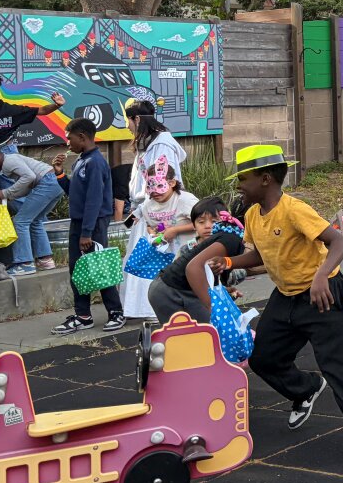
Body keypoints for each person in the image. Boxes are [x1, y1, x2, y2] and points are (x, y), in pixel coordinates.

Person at [225, 143, 343, 461]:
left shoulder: (294, 210)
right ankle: (305, 388)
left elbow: (338, 241)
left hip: (323, 294)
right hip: (287, 296)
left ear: (265, 179)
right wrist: (227, 263)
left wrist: (321, 276)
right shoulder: (252, 215)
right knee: (263, 358)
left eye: (243, 178)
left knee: (337, 365)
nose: (239, 185)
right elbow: (259, 255)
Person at [51, 118, 125, 335]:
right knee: (77, 269)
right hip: (79, 223)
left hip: (93, 224)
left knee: (99, 266)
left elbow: (94, 200)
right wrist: (59, 173)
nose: (68, 142)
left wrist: (86, 233)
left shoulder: (95, 163)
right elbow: (74, 193)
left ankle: (116, 312)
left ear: (82, 137)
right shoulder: (81, 161)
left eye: (70, 138)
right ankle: (83, 316)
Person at [0, 73, 65, 225]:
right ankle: (37, 223)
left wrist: (57, 105)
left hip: (5, 154)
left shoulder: (9, 111)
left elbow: (41, 111)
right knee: (12, 197)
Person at [122, 156, 199, 320]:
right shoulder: (148, 205)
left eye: (159, 185)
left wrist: (176, 230)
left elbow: (204, 223)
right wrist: (154, 233)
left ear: (172, 183)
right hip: (166, 256)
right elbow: (150, 225)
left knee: (192, 290)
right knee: (169, 289)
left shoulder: (185, 200)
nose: (154, 191)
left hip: (190, 254)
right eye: (150, 186)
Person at [148, 197, 247, 324]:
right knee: (188, 330)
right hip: (179, 292)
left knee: (206, 328)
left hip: (197, 293)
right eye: (201, 222)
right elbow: (186, 271)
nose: (208, 226)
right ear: (194, 225)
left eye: (214, 221)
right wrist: (213, 307)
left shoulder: (224, 243)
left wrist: (224, 288)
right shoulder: (188, 249)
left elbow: (237, 272)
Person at [0, 145, 60, 275]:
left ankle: (25, 264)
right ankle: (45, 260)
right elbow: (27, 185)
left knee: (20, 221)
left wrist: (6, 192)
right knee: (35, 221)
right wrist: (7, 196)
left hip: (46, 183)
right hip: (54, 183)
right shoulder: (9, 163)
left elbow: (29, 177)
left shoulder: (8, 161)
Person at [123, 100, 186, 206]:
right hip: (145, 207)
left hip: (158, 208)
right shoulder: (146, 144)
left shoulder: (162, 146)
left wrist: (146, 208)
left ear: (137, 119)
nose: (127, 126)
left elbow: (163, 182)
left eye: (127, 120)